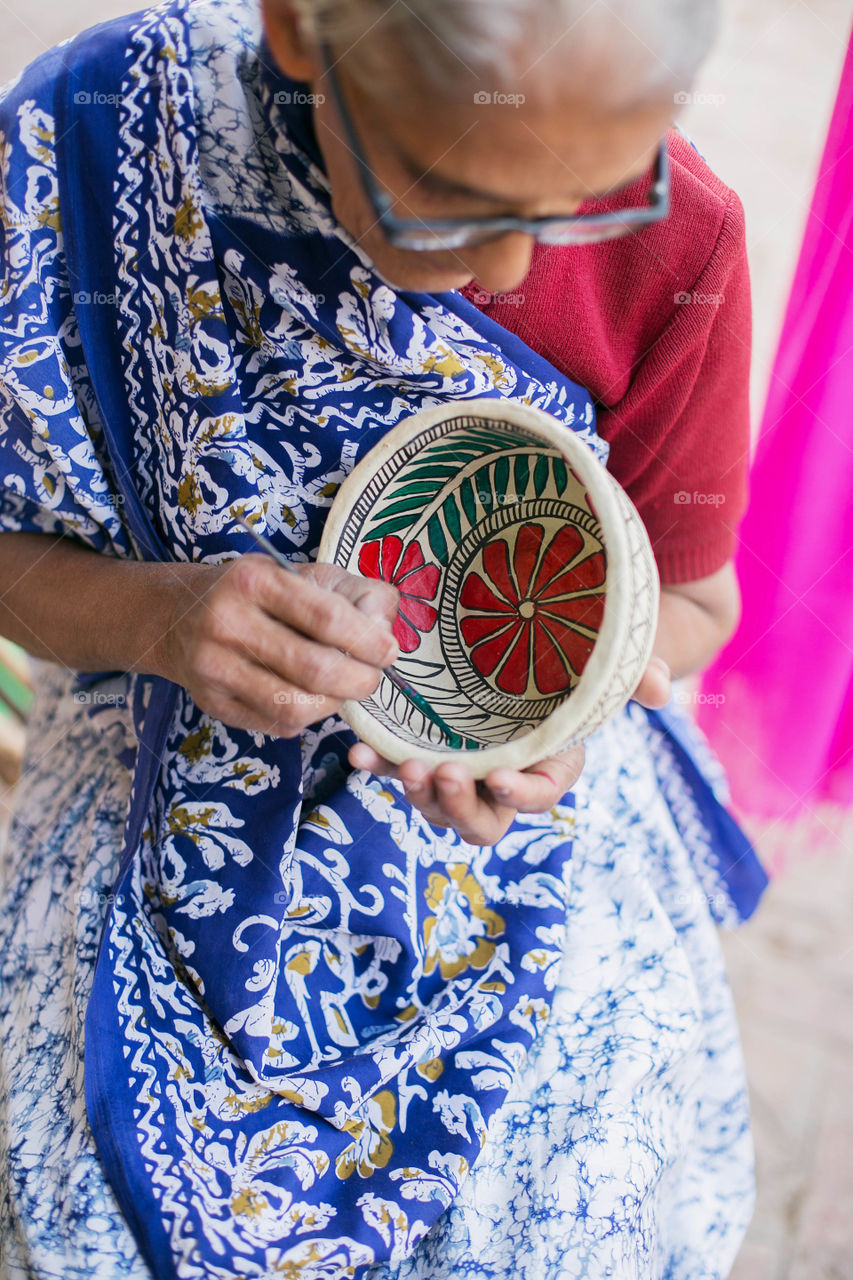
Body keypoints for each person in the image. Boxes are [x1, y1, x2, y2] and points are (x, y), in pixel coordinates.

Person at [0, 0, 767, 1277]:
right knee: (90, 1195)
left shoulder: (682, 240)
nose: (514, 270)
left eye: (584, 201)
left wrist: (563, 716)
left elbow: (696, 603)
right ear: (301, 30)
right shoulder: (95, 141)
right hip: (151, 761)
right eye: (453, 196)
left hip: (530, 824)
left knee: (572, 1203)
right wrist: (160, 615)